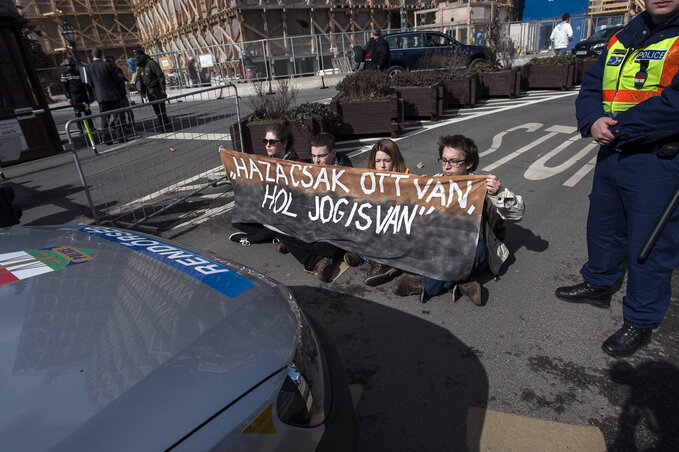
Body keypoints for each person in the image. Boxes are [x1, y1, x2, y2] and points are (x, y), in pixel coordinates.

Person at [556, 0, 679, 358]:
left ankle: (640, 319)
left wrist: (620, 129)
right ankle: (599, 281)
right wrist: (593, 119)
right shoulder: (624, 35)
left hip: (658, 158)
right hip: (613, 151)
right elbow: (593, 85)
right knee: (604, 226)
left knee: (651, 244)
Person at [393, 135, 525, 305]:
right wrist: (421, 190)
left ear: (469, 163)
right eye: (444, 160)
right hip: (440, 245)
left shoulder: (482, 188)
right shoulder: (437, 181)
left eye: (454, 161)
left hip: (471, 249)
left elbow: (517, 213)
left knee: (475, 251)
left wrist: (499, 193)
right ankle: (462, 284)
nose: (447, 166)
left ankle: (424, 284)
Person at [275, 133, 353, 282]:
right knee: (280, 227)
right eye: (313, 156)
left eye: (321, 156)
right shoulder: (309, 169)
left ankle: (301, 250)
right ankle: (316, 262)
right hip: (313, 223)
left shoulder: (349, 174)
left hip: (335, 227)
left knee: (324, 246)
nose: (316, 161)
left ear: (333, 153)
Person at [345, 139, 409, 286]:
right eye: (378, 161)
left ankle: (380, 263)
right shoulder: (369, 179)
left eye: (386, 160)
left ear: (395, 160)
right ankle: (365, 254)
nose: (382, 165)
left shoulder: (408, 180)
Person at [228, 120, 300, 246]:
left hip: (287, 214)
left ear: (284, 143)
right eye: (265, 141)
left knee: (278, 222)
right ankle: (274, 237)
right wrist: (227, 159)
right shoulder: (263, 162)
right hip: (268, 210)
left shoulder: (297, 164)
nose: (267, 145)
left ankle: (253, 239)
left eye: (272, 142)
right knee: (237, 220)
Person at [86, 47, 124, 144]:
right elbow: (116, 79)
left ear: (92, 55)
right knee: (117, 116)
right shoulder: (106, 65)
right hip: (112, 94)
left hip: (100, 96)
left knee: (104, 118)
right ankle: (120, 136)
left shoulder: (89, 67)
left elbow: (89, 84)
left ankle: (106, 138)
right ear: (101, 54)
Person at [135, 49, 172, 132]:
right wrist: (143, 92)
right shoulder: (141, 67)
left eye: (139, 57)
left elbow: (160, 76)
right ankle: (163, 124)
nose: (138, 59)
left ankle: (166, 125)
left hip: (157, 90)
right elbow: (142, 81)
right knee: (156, 110)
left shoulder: (152, 64)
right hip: (150, 92)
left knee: (161, 109)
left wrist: (163, 88)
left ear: (143, 55)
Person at [60, 57, 93, 135]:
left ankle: (91, 127)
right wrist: (68, 97)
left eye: (71, 65)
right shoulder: (65, 75)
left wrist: (91, 95)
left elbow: (87, 85)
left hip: (83, 95)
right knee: (77, 113)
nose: (69, 67)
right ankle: (80, 129)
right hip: (74, 96)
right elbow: (64, 87)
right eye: (68, 66)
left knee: (87, 111)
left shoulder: (80, 73)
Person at [105, 55, 134, 132]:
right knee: (120, 112)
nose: (113, 63)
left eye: (113, 61)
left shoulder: (118, 69)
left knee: (128, 109)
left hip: (122, 93)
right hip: (116, 95)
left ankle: (130, 123)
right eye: (111, 61)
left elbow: (123, 78)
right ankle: (117, 125)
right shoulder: (109, 71)